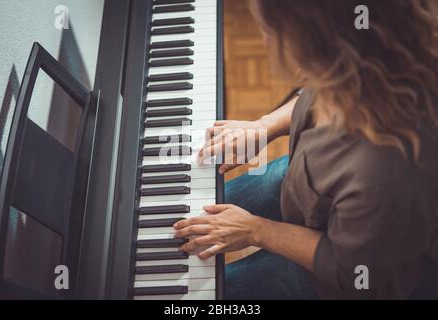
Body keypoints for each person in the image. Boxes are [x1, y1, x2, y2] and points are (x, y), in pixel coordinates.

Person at [173, 0, 438, 299]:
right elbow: (317, 89)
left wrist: (258, 231)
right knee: (188, 212)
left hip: (335, 275)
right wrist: (265, 125)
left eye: (269, 27)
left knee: (203, 294)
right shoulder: (368, 39)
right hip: (308, 183)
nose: (264, 34)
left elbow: (349, 268)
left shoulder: (384, 177)